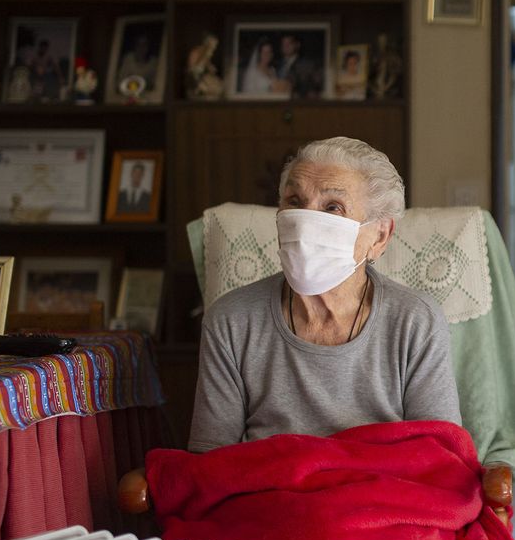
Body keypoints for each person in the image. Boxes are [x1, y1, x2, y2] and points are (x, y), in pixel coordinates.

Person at [188, 136, 461, 452]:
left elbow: (439, 456)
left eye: (333, 207)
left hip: (376, 495)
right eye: (294, 201)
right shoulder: (231, 319)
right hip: (271, 494)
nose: (305, 223)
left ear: (380, 236)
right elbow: (209, 462)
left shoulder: (415, 320)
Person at [275, 33, 321, 98]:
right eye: (283, 44)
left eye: (289, 43)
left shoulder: (306, 65)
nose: (286, 46)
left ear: (297, 45)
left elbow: (313, 87)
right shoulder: (277, 64)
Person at [114, 28, 160, 93]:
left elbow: (155, 85)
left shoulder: (154, 62)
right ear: (135, 46)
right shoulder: (128, 59)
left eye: (144, 44)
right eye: (138, 44)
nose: (141, 48)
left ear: (149, 46)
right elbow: (120, 81)